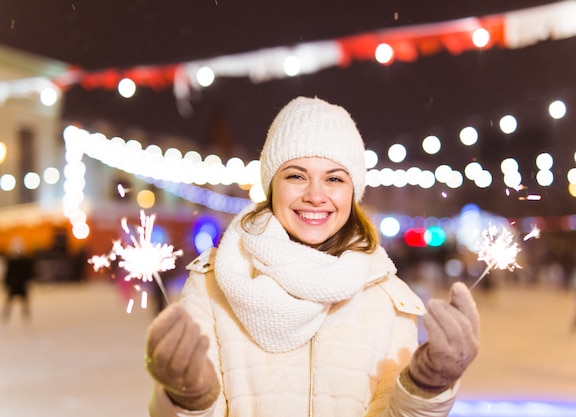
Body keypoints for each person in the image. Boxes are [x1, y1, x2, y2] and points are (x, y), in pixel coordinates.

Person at [144, 96, 480, 417]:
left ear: (353, 191)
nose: (315, 195)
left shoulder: (387, 298)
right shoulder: (212, 284)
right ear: (272, 185)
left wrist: (426, 387)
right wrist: (187, 398)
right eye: (296, 176)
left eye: (334, 178)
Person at [1, 246, 35, 322]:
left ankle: (25, 315)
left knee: (22, 301)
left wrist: (6, 283)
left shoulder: (19, 262)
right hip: (16, 284)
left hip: (17, 284)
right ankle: (7, 315)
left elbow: (28, 273)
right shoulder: (13, 262)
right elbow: (8, 274)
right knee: (13, 301)